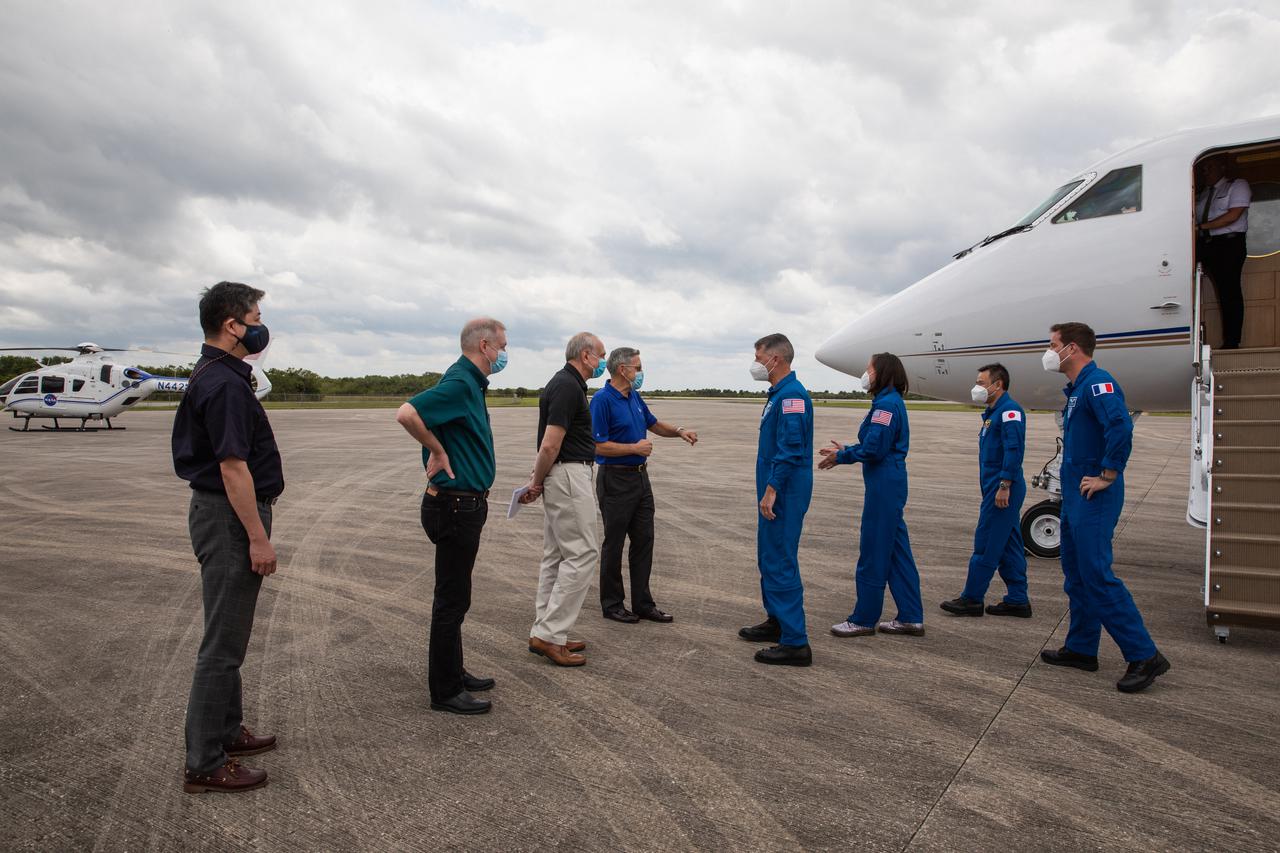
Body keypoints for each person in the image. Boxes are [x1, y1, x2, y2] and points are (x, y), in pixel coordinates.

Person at [172, 281, 283, 794]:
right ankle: (205, 761)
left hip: (223, 514)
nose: (261, 326)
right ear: (232, 325)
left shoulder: (221, 376)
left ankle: (226, 730)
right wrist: (258, 538)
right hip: (229, 518)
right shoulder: (223, 385)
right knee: (223, 644)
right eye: (254, 317)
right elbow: (234, 469)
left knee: (229, 634)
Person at [1039, 322, 1171, 693]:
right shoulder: (1078, 389)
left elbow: (1120, 427)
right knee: (1076, 574)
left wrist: (1109, 474)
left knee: (1096, 574)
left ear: (1073, 349)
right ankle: (1082, 649)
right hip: (1076, 497)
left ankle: (1144, 655)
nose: (1048, 352)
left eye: (1053, 345)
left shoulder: (1099, 383)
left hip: (1095, 497)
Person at [395, 318, 507, 715]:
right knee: (451, 599)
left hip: (463, 502)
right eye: (502, 346)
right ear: (484, 345)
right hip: (455, 505)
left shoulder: (468, 382)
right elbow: (408, 413)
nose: (504, 353)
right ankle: (444, 690)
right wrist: (436, 451)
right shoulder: (461, 382)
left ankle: (454, 671)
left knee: (457, 597)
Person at [819, 352, 924, 638]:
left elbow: (875, 449)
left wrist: (844, 456)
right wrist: (848, 450)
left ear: (883, 373)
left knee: (874, 549)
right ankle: (911, 616)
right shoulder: (887, 403)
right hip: (888, 480)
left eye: (869, 369)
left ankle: (864, 619)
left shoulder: (886, 406)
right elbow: (876, 443)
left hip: (884, 484)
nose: (866, 374)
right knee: (897, 551)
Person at [590, 347, 698, 624]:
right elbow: (597, 445)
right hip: (615, 478)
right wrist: (634, 447)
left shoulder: (634, 396)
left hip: (640, 477)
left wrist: (678, 431)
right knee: (614, 544)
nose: (640, 372)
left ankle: (642, 603)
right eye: (637, 367)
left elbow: (653, 423)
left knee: (644, 541)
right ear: (622, 369)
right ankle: (612, 604)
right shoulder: (602, 400)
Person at [521, 332, 608, 667]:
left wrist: (539, 478)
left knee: (557, 555)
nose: (603, 361)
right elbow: (550, 444)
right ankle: (550, 634)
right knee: (583, 552)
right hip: (569, 474)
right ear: (585, 355)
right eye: (601, 355)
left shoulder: (566, 384)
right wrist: (537, 480)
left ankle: (547, 630)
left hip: (565, 473)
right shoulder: (568, 386)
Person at [738, 333, 813, 666]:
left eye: (758, 356)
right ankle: (778, 621)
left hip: (784, 491)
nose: (755, 363)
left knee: (780, 559)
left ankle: (796, 642)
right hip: (774, 487)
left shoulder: (792, 397)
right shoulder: (779, 394)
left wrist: (772, 489)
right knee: (768, 556)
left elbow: (791, 448)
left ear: (776, 359)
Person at [941, 363, 1032, 618]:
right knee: (1009, 544)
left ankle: (972, 598)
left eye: (981, 383)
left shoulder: (1010, 412)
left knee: (986, 542)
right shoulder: (994, 413)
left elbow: (1014, 451)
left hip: (1003, 487)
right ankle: (1017, 599)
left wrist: (1004, 485)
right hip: (997, 486)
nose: (977, 387)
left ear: (998, 384)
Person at [1196, 154, 1251, 349]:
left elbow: (1233, 215)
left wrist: (1202, 227)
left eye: (1209, 167)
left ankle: (1231, 341)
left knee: (1229, 291)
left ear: (1222, 167)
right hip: (1206, 244)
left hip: (1228, 244)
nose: (1205, 172)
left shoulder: (1237, 185)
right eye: (1203, 169)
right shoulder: (1202, 193)